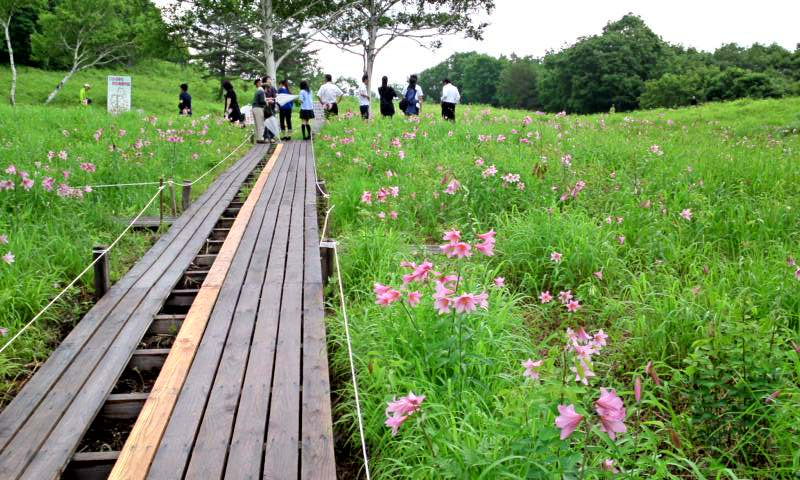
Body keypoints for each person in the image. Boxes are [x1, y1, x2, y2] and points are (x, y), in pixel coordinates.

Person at [261, 76, 277, 144]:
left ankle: (272, 137)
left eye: (270, 79)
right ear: (265, 81)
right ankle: (266, 137)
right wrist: (268, 99)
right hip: (265, 108)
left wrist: (273, 100)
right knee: (266, 122)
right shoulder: (262, 88)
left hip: (272, 107)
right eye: (268, 79)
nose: (270, 80)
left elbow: (275, 97)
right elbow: (262, 98)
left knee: (272, 122)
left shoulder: (273, 88)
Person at [251, 78, 267, 143]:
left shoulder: (258, 90)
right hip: (258, 108)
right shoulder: (261, 90)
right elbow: (261, 101)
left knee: (257, 124)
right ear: (258, 83)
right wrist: (267, 102)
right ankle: (261, 138)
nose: (261, 83)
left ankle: (258, 138)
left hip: (254, 108)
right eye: (260, 82)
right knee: (260, 123)